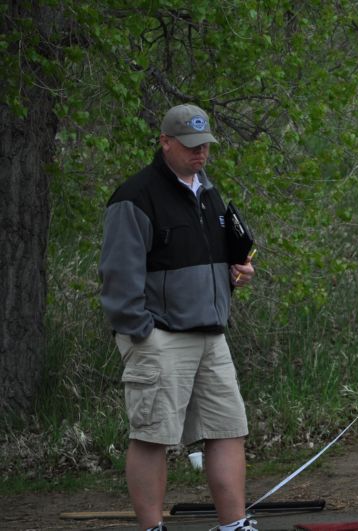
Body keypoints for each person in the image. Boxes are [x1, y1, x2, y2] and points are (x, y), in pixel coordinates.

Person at [99, 104, 257, 531]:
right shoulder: (135, 196)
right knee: (153, 436)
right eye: (190, 146)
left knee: (228, 428)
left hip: (212, 332)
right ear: (165, 142)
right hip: (160, 336)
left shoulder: (210, 193)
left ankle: (234, 525)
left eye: (205, 145)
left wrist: (234, 274)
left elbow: (212, 258)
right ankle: (153, 528)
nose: (200, 153)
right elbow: (117, 276)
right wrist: (141, 333)